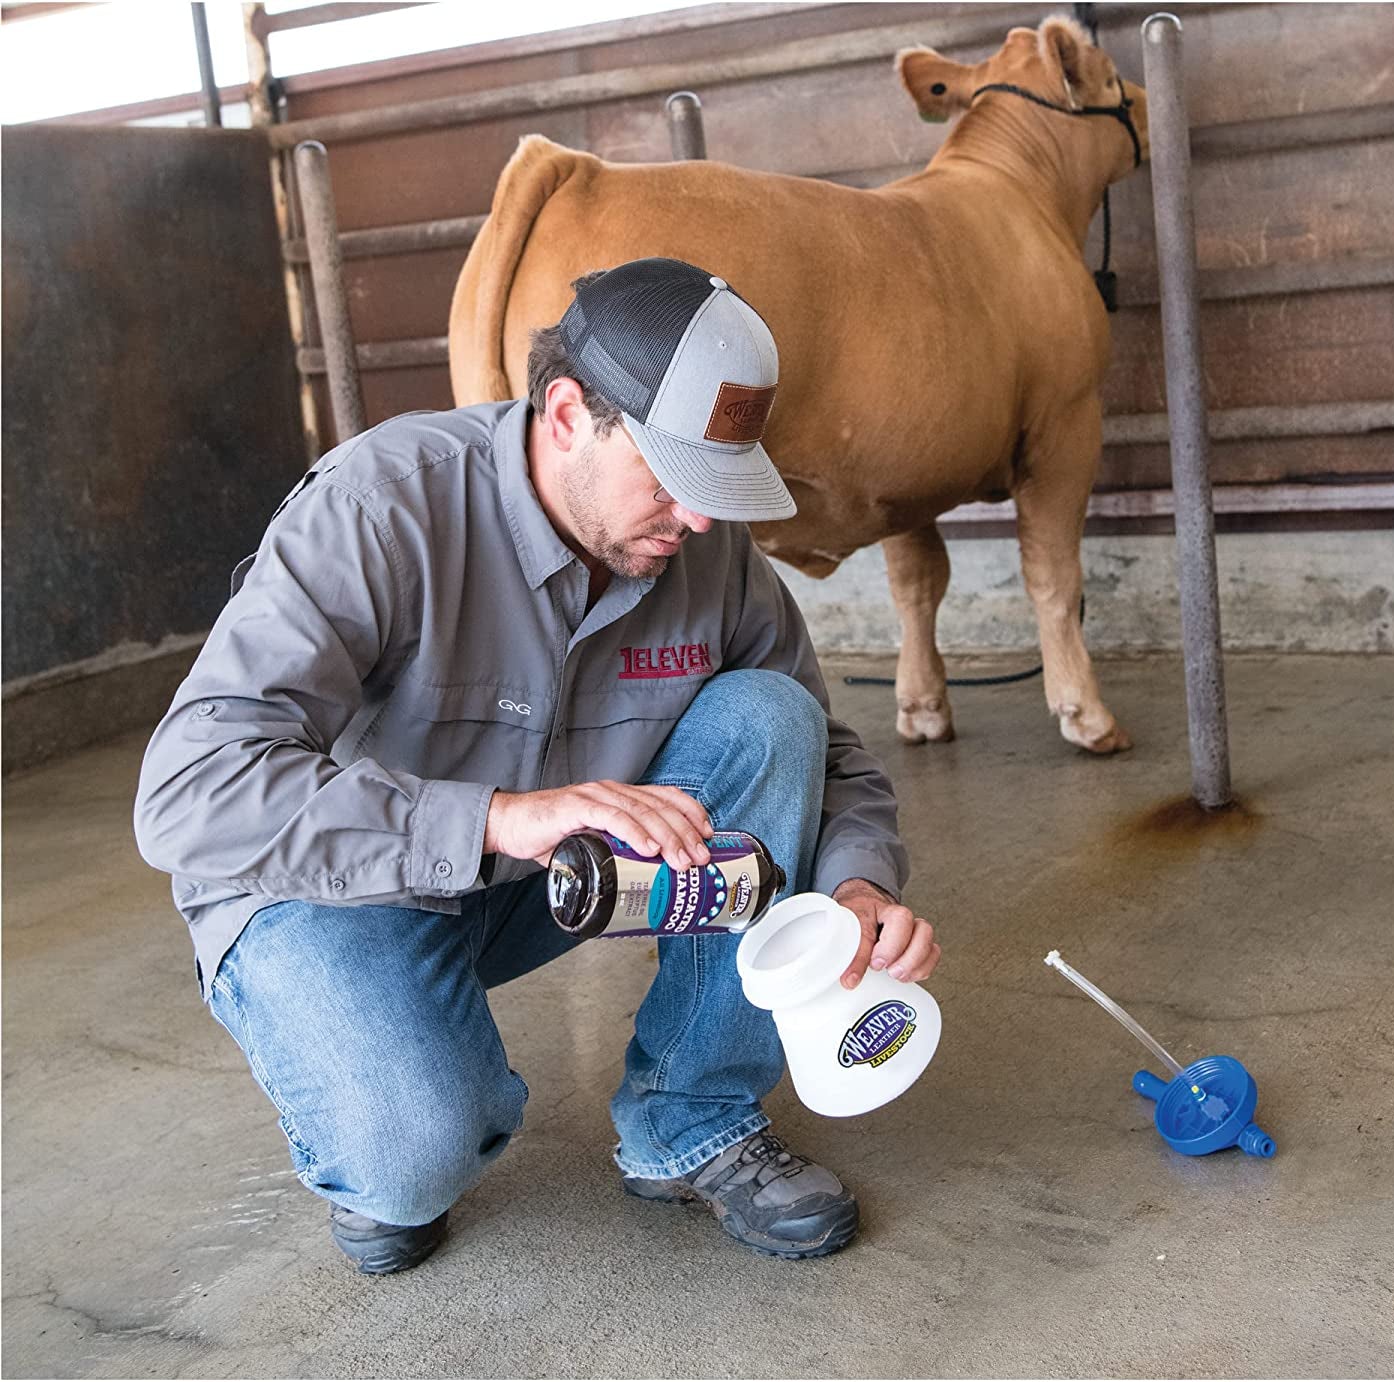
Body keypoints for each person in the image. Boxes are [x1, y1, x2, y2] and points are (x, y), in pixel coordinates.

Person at [134, 257, 940, 1275]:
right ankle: (380, 1119)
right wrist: (498, 817)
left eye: (716, 484)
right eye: (673, 477)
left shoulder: (702, 546)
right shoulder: (384, 508)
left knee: (769, 715)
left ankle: (690, 1118)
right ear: (566, 413)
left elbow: (820, 746)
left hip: (544, 880)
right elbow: (185, 789)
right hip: (326, 882)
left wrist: (857, 880)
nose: (697, 520)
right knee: (415, 1154)